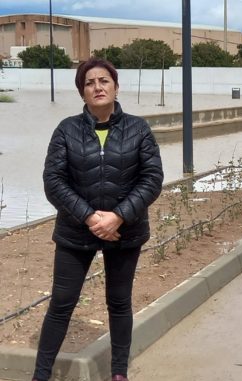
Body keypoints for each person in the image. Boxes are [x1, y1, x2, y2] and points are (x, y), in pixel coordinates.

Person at [32, 57, 164, 381]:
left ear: (116, 87)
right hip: (75, 232)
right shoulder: (66, 130)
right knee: (62, 303)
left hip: (125, 232)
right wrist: (90, 217)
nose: (97, 87)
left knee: (119, 302)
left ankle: (118, 373)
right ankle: (40, 375)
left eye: (103, 80)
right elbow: (53, 182)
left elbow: (152, 178)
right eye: (89, 83)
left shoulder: (138, 128)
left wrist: (118, 217)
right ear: (82, 93)